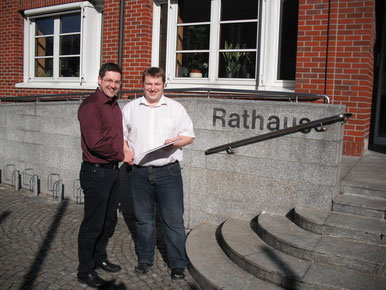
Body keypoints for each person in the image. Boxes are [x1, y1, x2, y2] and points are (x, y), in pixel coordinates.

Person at [122, 67, 195, 280]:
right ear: (142, 84)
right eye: (148, 84)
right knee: (143, 220)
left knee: (173, 221)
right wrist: (126, 150)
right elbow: (121, 135)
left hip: (168, 173)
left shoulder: (176, 108)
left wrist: (175, 142)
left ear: (164, 84)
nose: (152, 88)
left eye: (157, 84)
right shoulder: (131, 108)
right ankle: (145, 259)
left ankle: (178, 263)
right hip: (139, 173)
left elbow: (189, 136)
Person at [77, 62, 132, 287]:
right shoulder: (91, 106)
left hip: (111, 172)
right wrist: (122, 154)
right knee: (93, 224)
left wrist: (125, 149)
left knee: (108, 220)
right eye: (108, 80)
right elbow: (95, 143)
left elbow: (116, 137)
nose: (113, 85)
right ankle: (85, 270)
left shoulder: (114, 106)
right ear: (99, 80)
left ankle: (99, 258)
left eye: (116, 82)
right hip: (96, 172)